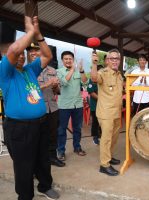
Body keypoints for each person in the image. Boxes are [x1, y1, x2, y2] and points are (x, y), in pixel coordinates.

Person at [0, 16, 59, 200]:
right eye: (17, 54)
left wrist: (38, 34)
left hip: (40, 123)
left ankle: (45, 186)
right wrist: (30, 32)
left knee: (43, 158)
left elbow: (48, 56)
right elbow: (13, 49)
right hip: (19, 127)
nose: (20, 56)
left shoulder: (30, 70)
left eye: (22, 54)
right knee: (24, 164)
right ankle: (25, 196)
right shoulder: (5, 71)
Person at [26, 42, 65, 168]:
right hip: (37, 110)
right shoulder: (26, 71)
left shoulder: (52, 70)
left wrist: (55, 87)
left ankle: (52, 157)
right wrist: (47, 84)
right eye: (30, 51)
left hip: (52, 108)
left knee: (53, 134)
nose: (33, 53)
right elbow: (29, 92)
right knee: (37, 137)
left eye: (36, 50)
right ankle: (39, 161)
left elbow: (57, 91)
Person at [91, 49, 123, 176]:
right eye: (112, 58)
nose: (115, 61)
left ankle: (108, 157)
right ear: (107, 60)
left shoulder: (119, 74)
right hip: (105, 113)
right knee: (106, 139)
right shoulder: (102, 72)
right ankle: (104, 165)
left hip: (116, 112)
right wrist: (94, 63)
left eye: (117, 59)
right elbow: (94, 78)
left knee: (114, 138)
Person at [56, 51, 88, 161]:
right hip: (63, 106)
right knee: (61, 130)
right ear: (62, 60)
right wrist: (72, 70)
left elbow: (85, 82)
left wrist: (82, 70)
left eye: (70, 58)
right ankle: (61, 151)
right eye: (66, 59)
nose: (68, 60)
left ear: (73, 60)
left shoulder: (78, 71)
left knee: (77, 128)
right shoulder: (58, 72)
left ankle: (77, 147)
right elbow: (63, 83)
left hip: (77, 105)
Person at [87, 64, 103, 145]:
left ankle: (102, 136)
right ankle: (95, 137)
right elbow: (91, 92)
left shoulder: (104, 79)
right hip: (95, 105)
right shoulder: (91, 80)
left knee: (103, 122)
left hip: (104, 106)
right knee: (95, 122)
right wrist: (101, 99)